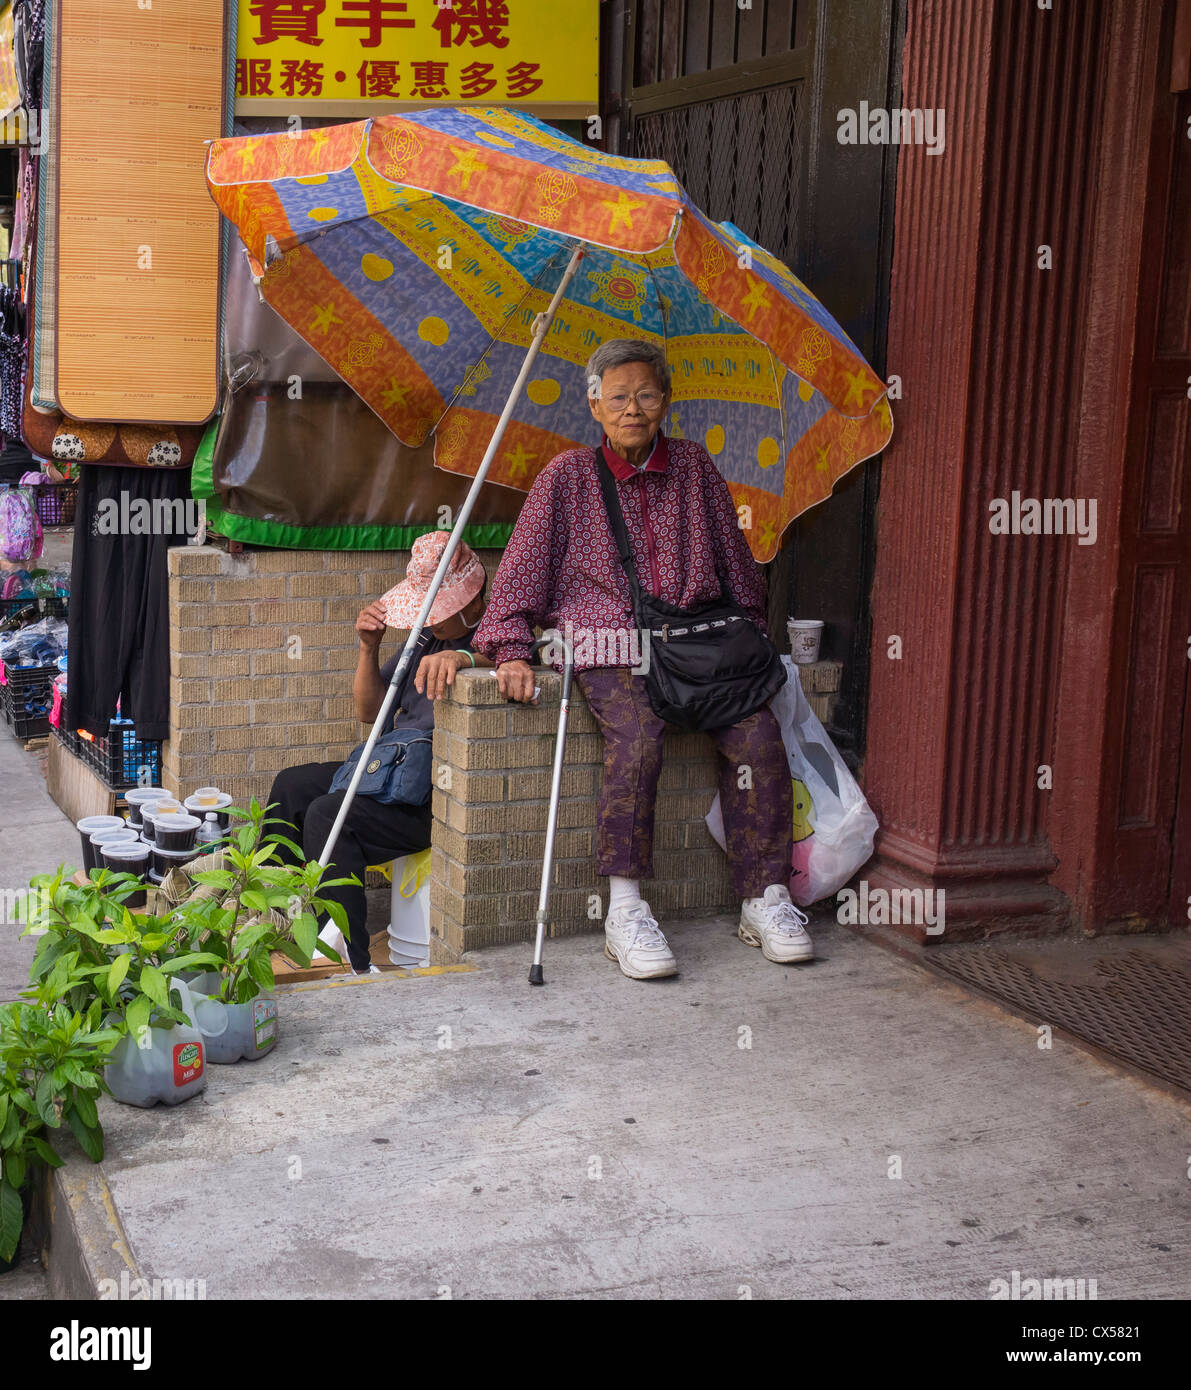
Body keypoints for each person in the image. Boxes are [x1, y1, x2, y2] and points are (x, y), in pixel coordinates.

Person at [473, 338, 810, 981]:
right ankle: (625, 907)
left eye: (647, 395)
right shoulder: (566, 477)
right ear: (594, 403)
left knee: (759, 737)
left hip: (695, 645)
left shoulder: (694, 467)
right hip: (611, 646)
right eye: (619, 396)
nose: (633, 408)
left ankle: (766, 898)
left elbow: (735, 561)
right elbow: (521, 575)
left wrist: (749, 640)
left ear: (667, 401)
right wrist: (512, 649)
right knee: (637, 740)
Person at [268, 532, 492, 974]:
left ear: (474, 602)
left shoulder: (498, 635)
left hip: (433, 798)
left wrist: (467, 659)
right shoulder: (426, 640)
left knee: (328, 814)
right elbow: (369, 711)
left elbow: (527, 659)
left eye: (441, 610)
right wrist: (368, 649)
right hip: (389, 771)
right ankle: (281, 913)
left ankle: (354, 957)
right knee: (292, 787)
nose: (430, 619)